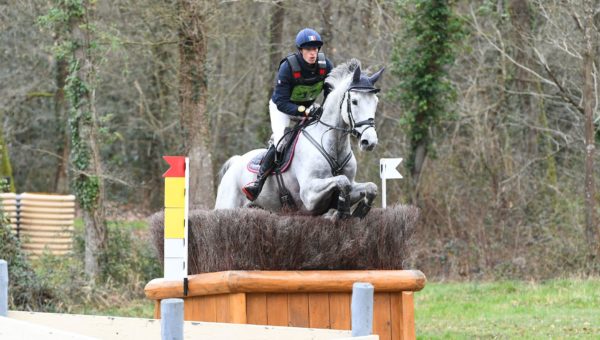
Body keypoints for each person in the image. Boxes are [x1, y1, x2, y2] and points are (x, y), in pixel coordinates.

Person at [242, 28, 334, 201]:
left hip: (308, 108)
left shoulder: (325, 66)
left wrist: (323, 109)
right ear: (301, 50)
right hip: (282, 108)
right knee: (280, 141)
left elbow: (331, 92)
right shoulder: (288, 67)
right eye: (308, 49)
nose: (312, 53)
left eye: (315, 49)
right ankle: (258, 182)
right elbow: (282, 101)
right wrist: (304, 111)